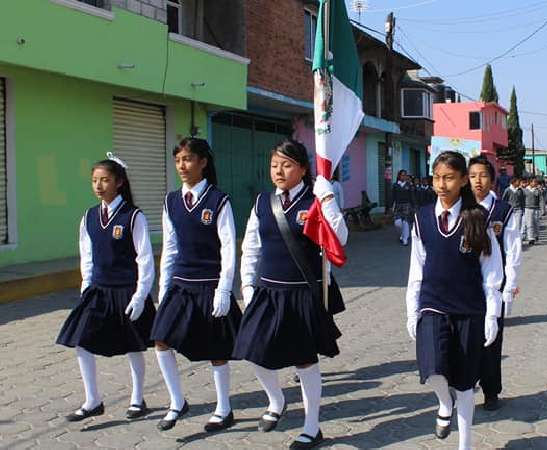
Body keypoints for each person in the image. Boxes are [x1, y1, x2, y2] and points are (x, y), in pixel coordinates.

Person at [234, 140, 346, 449]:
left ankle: (312, 427)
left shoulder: (316, 200)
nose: (279, 171)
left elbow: (340, 238)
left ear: (302, 169)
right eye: (274, 165)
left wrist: (327, 199)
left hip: (302, 294)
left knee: (304, 362)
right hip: (267, 292)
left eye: (286, 165)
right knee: (251, 349)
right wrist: (247, 285)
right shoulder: (262, 203)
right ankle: (276, 400)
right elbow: (251, 248)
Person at [406, 151, 503, 450]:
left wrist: (492, 314)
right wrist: (411, 311)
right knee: (432, 368)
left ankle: (466, 444)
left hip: (469, 309)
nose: (442, 184)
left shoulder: (477, 220)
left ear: (462, 180)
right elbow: (416, 269)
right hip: (432, 304)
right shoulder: (422, 218)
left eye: (449, 178)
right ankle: (442, 403)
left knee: (464, 383)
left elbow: (492, 270)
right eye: (437, 177)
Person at [150, 138, 242, 432]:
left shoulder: (219, 200)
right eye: (178, 160)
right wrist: (164, 289)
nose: (182, 166)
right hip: (180, 284)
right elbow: (171, 247)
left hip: (210, 285)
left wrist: (225, 289)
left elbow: (228, 247)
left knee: (216, 348)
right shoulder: (171, 201)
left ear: (203, 162)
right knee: (161, 339)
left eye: (188, 159)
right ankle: (177, 401)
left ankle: (223, 408)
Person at [56, 154, 156, 422]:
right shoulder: (88, 217)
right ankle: (92, 400)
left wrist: (141, 294)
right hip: (98, 291)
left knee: (134, 345)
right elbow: (86, 256)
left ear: (119, 182)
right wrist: (86, 287)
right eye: (94, 181)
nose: (99, 185)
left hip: (127, 290)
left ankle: (137, 398)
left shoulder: (133, 216)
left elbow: (144, 258)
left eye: (105, 180)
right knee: (81, 340)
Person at [468, 157, 521, 411]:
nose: (478, 181)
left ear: (492, 180)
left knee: (492, 340)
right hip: (465, 283)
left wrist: (509, 287)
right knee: (467, 338)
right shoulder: (461, 208)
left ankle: (491, 391)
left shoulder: (503, 211)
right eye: (472, 176)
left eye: (483, 176)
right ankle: (467, 384)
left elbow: (512, 250)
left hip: (494, 285)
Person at [392, 170, 414, 246]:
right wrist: (389, 206)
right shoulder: (395, 185)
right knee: (397, 223)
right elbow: (392, 197)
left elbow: (412, 196)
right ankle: (402, 234)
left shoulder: (409, 185)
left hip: (407, 205)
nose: (403, 176)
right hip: (398, 205)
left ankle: (405, 239)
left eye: (405, 175)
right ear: (399, 176)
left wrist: (413, 206)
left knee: (405, 222)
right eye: (402, 175)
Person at [522, 178, 543, 245]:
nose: (535, 183)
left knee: (536, 223)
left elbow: (541, 200)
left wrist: (542, 209)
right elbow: (521, 199)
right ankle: (531, 238)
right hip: (528, 208)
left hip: (536, 209)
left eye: (536, 182)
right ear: (530, 182)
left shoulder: (537, 190)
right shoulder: (525, 190)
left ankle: (536, 235)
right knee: (529, 224)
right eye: (534, 182)